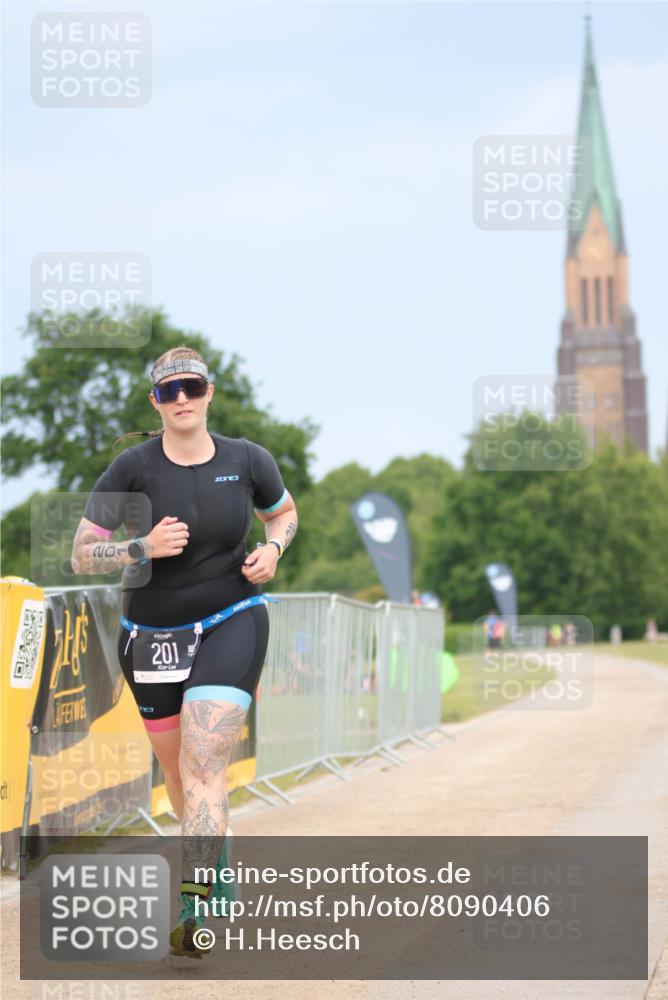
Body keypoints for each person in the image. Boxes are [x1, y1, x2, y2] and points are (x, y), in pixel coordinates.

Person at [71, 346, 298, 957]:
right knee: (178, 773)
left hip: (233, 615)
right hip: (151, 637)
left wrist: (274, 551)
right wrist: (139, 547)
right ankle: (216, 857)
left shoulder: (248, 459)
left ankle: (192, 901)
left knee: (203, 760)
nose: (180, 400)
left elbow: (283, 515)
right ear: (155, 401)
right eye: (168, 391)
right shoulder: (132, 468)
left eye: (190, 387)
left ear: (207, 392)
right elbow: (82, 553)